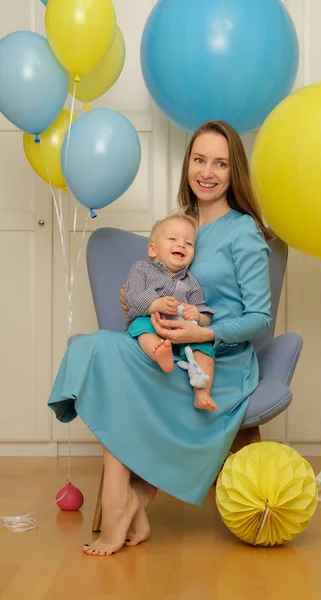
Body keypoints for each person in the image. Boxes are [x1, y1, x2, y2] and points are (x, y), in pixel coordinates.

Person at [48, 120, 272, 557]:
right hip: (168, 347)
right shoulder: (179, 226)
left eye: (220, 163)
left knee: (111, 362)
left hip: (214, 361)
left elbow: (260, 319)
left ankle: (121, 503)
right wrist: (138, 302)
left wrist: (203, 331)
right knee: (96, 347)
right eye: (199, 159)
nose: (207, 172)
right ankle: (123, 495)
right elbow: (152, 287)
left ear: (234, 172)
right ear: (187, 163)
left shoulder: (243, 231)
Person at [124, 213, 217, 411]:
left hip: (183, 332)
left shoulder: (191, 282)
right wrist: (155, 304)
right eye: (173, 239)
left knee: (206, 348)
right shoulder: (142, 269)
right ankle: (160, 354)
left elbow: (204, 312)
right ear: (153, 249)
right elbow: (132, 297)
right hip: (152, 321)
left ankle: (202, 393)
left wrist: (198, 316)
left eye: (188, 243)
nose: (181, 245)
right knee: (142, 326)